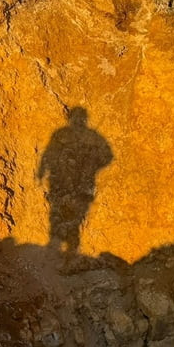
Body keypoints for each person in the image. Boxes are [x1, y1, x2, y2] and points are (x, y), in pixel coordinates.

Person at [36, 106, 113, 253]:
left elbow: (108, 156)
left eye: (79, 118)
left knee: (76, 215)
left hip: (80, 183)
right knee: (58, 212)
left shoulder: (90, 136)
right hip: (62, 180)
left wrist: (93, 166)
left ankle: (71, 250)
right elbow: (48, 153)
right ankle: (59, 246)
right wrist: (41, 172)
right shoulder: (62, 133)